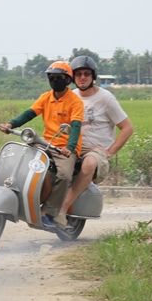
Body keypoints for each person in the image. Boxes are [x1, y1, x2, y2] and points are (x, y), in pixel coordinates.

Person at [0, 61, 83, 229]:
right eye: (51, 77)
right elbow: (29, 114)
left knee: (64, 175)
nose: (54, 80)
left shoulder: (75, 101)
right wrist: (11, 124)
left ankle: (49, 212)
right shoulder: (46, 97)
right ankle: (17, 199)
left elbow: (76, 126)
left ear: (67, 80)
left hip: (63, 149)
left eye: (58, 77)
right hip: (45, 143)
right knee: (23, 163)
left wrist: (70, 148)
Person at [60, 55, 133, 215]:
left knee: (89, 164)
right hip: (74, 146)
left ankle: (63, 207)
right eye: (78, 74)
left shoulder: (105, 98)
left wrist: (110, 152)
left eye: (87, 74)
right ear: (72, 77)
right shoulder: (70, 96)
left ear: (93, 76)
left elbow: (127, 128)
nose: (82, 78)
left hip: (96, 150)